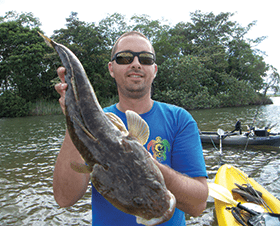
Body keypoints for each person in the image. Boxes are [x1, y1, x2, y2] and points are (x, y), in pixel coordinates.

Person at [53, 31, 208, 226]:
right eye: (125, 57)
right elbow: (64, 199)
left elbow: (198, 205)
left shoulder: (179, 120)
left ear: (155, 69)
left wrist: (149, 165)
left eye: (145, 58)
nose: (136, 63)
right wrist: (73, 117)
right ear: (111, 68)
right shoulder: (93, 121)